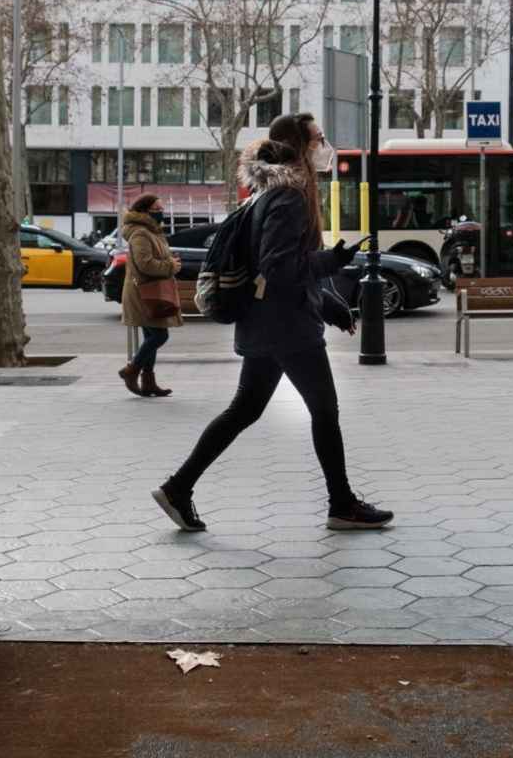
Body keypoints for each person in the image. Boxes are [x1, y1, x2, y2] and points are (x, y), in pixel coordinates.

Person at [151, 113, 393, 533]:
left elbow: (284, 269)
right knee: (324, 410)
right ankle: (342, 504)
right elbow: (280, 268)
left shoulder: (268, 193)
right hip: (287, 327)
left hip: (268, 323)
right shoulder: (289, 197)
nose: (324, 145)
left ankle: (178, 487)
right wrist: (332, 261)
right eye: (318, 138)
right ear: (300, 146)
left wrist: (330, 302)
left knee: (244, 409)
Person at [117, 193, 184, 398]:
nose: (161, 212)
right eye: (157, 209)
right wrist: (170, 266)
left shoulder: (151, 232)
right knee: (159, 335)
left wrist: (169, 260)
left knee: (151, 335)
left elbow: (153, 258)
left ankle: (148, 382)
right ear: (145, 211)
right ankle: (131, 371)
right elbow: (145, 264)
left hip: (149, 291)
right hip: (143, 293)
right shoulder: (140, 234)